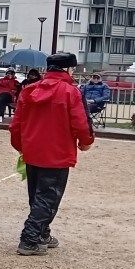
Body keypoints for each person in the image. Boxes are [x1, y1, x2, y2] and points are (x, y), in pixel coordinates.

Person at [10, 52, 94, 256]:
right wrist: (85, 142)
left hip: (32, 150)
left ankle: (42, 233)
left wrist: (20, 146)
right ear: (68, 69)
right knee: (48, 198)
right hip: (57, 152)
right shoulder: (71, 92)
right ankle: (29, 239)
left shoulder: (28, 90)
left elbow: (16, 125)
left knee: (37, 195)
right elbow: (81, 123)